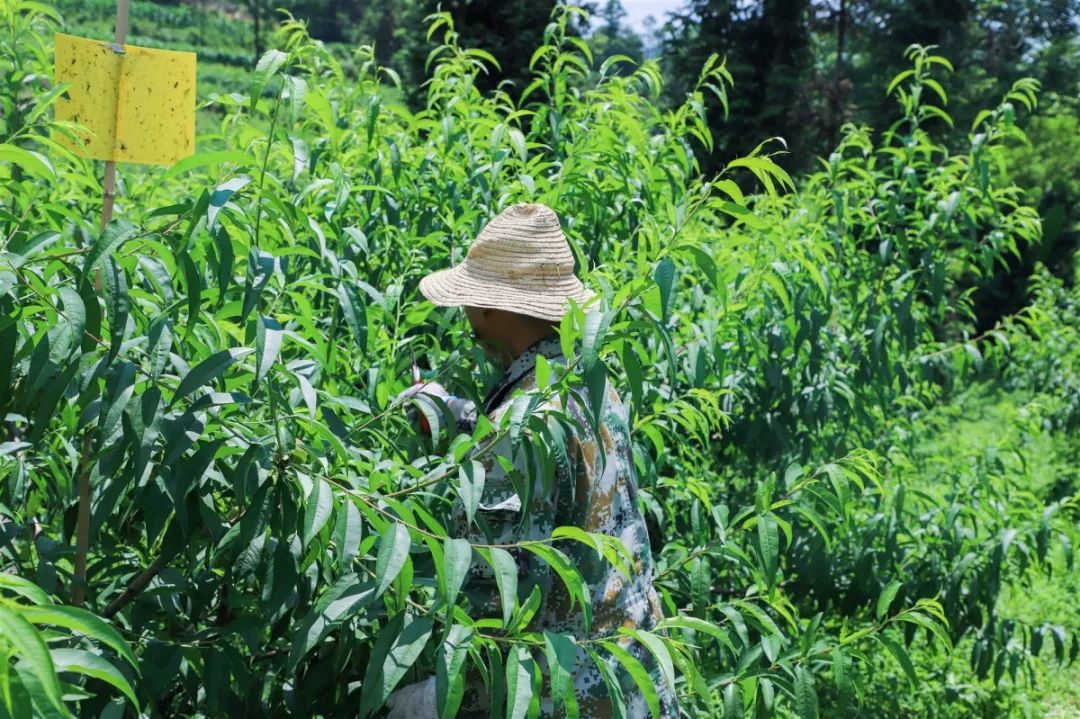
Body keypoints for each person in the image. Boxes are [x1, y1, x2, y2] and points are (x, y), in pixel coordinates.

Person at [386, 203, 677, 718]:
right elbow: (550, 458)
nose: (466, 315)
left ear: (493, 308)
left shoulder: (511, 435)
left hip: (563, 698)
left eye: (471, 300)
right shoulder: (593, 385)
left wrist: (431, 702)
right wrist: (458, 414)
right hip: (634, 683)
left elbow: (493, 619)